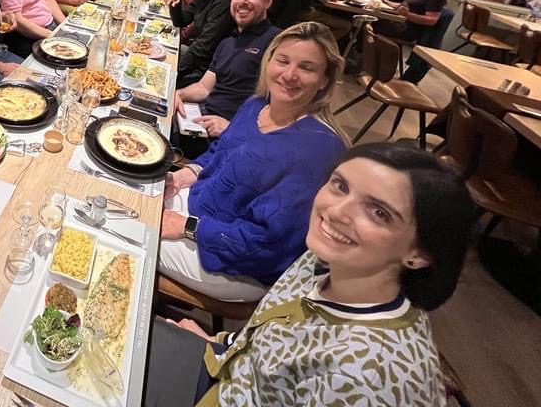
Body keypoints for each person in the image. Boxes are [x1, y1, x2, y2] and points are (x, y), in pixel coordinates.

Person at [150, 142, 476, 407]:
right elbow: (272, 340)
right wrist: (222, 345)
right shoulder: (322, 260)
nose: (336, 212)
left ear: (419, 254)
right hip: (224, 371)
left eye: (379, 213)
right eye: (340, 186)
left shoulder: (368, 378)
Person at [159, 22, 347, 300]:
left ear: (324, 80)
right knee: (130, 191)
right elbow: (220, 152)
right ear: (268, 61)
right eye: (283, 60)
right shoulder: (256, 105)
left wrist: (187, 226)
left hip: (235, 262)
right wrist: (185, 175)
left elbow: (269, 244)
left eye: (306, 68)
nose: (289, 75)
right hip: (202, 207)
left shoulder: (317, 150)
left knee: (127, 231)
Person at [173, 0, 280, 157]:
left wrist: (231, 128)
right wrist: (178, 94)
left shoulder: (277, 43)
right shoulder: (227, 42)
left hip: (229, 141)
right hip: (200, 121)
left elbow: (283, 111)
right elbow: (204, 88)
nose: (242, 1)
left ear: (268, 1)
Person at [171, 0, 236, 88]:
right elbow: (182, 21)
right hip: (199, 58)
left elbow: (203, 47)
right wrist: (175, 3)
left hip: (211, 71)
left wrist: (172, 74)